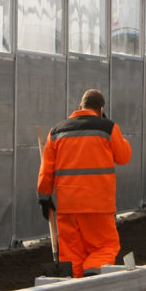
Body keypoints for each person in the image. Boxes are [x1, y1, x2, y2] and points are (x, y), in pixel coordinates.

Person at [37, 89, 132, 280]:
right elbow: (123, 157)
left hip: (67, 206)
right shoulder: (107, 128)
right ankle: (93, 271)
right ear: (101, 108)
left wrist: (44, 198)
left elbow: (46, 170)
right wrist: (111, 130)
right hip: (98, 204)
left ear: (79, 107)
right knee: (105, 246)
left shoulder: (56, 131)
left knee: (71, 255)